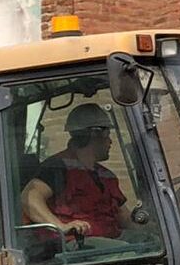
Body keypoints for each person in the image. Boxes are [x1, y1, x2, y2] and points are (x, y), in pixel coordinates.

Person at [21, 103, 136, 242]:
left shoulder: (106, 176)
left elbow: (127, 221)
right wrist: (61, 226)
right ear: (94, 133)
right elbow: (29, 197)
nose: (110, 141)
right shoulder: (57, 167)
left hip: (110, 242)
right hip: (77, 246)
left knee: (150, 242)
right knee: (127, 253)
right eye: (107, 134)